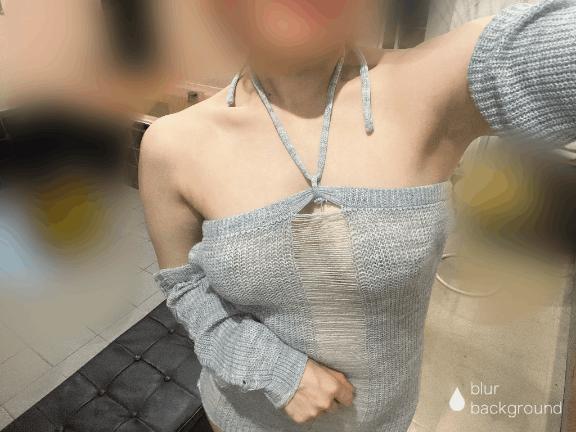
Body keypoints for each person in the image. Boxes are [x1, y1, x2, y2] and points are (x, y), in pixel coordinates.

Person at [139, 1, 576, 431]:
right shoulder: (172, 145)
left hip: (382, 420)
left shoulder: (433, 84)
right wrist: (271, 366)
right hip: (241, 418)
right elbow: (185, 287)